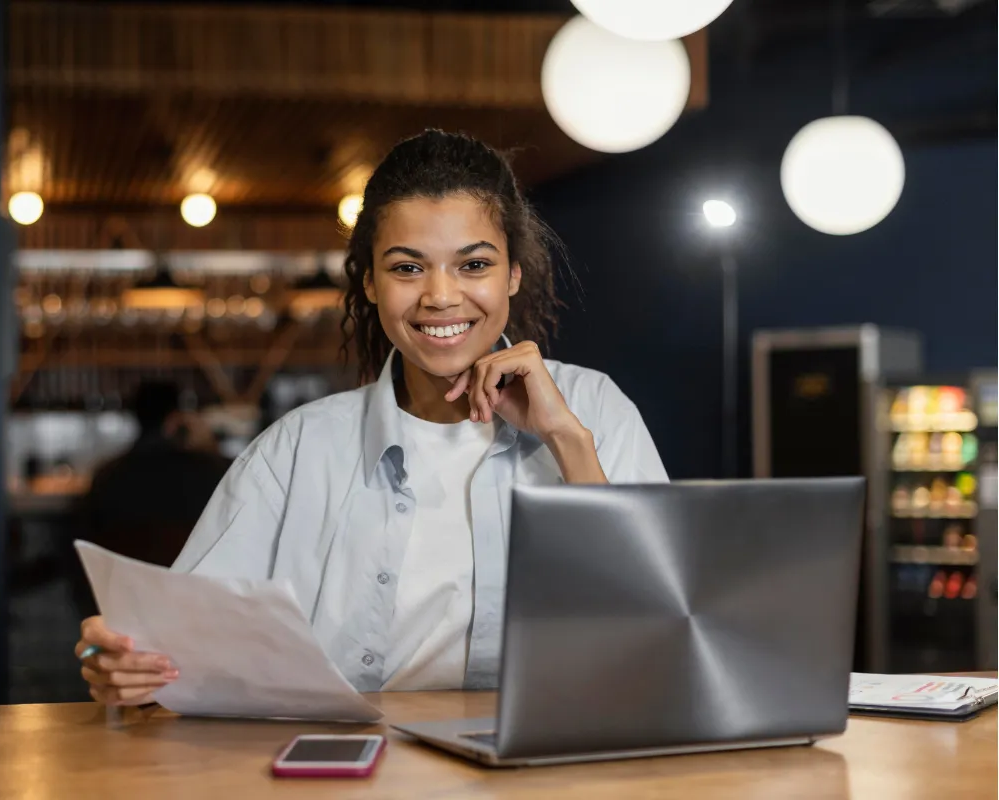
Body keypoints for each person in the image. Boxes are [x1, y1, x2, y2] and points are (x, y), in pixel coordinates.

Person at [75, 130, 668, 706]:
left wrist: (566, 440)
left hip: (549, 768)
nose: (439, 296)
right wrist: (125, 665)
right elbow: (178, 642)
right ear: (370, 281)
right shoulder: (298, 448)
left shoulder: (594, 412)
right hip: (351, 771)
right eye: (408, 268)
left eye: (474, 265)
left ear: (513, 274)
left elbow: (661, 628)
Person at [70, 382, 230, 616]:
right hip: (198, 609)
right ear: (176, 420)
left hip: (122, 608)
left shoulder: (107, 475)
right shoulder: (213, 471)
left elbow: (84, 548)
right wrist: (209, 447)